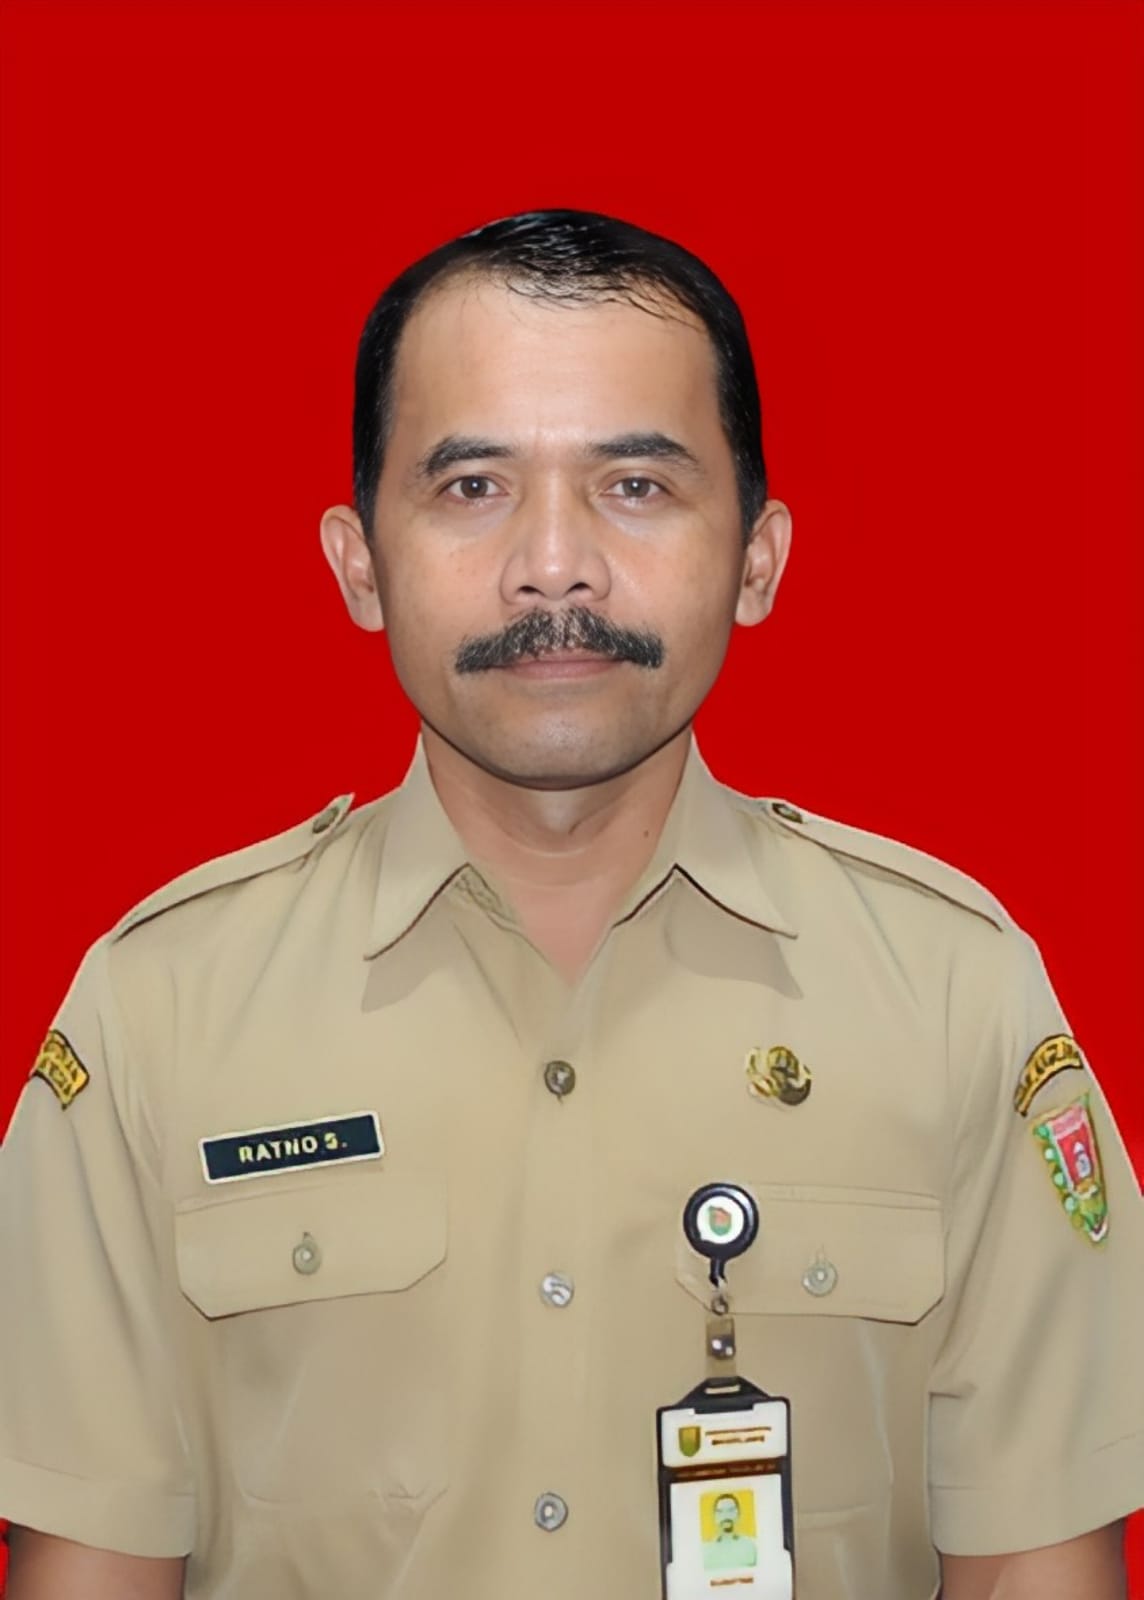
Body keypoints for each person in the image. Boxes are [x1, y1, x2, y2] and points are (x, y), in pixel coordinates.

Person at [1, 207, 1140, 1600]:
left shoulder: (958, 995)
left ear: (759, 558)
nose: (554, 564)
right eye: (473, 485)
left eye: (636, 485)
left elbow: (1039, 1563)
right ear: (359, 564)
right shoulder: (158, 1013)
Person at [704, 1493, 758, 1570]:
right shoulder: (705, 1550)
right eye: (720, 1511)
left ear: (738, 1514)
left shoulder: (751, 1546)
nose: (726, 1516)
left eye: (731, 1510)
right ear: (715, 1516)